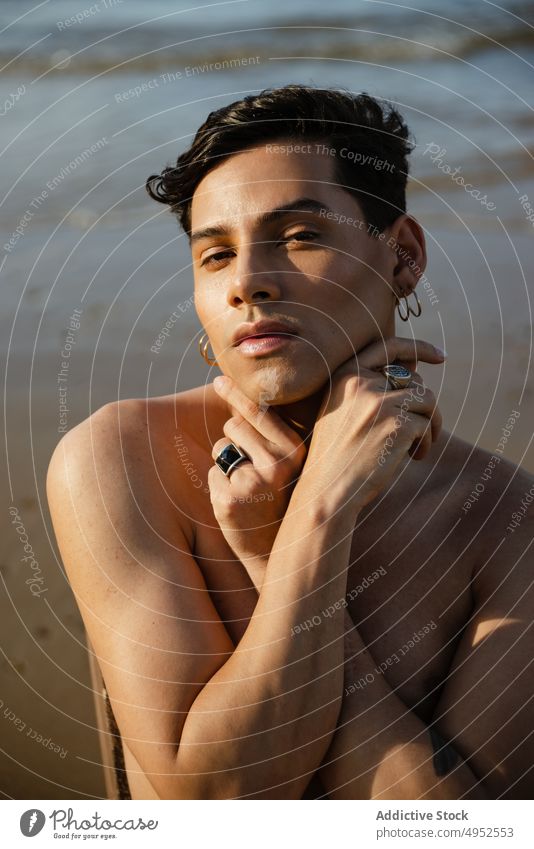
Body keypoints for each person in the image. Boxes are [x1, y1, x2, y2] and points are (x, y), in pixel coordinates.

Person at [46, 84, 534, 800]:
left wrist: (298, 532)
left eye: (299, 236)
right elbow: (213, 801)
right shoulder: (120, 456)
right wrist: (314, 524)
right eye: (215, 255)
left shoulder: (505, 519)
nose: (247, 282)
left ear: (402, 254)